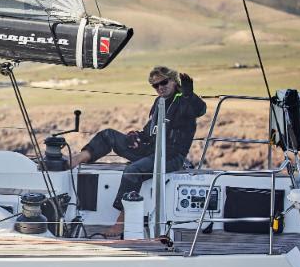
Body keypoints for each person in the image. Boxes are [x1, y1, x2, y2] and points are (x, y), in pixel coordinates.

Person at [69, 66, 207, 235]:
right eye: (155, 86)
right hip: (150, 149)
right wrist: (138, 136)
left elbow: (200, 110)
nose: (160, 88)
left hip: (171, 156)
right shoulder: (159, 102)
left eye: (163, 82)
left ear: (173, 81)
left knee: (133, 170)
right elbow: (151, 130)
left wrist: (189, 95)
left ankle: (121, 222)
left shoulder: (184, 101)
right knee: (108, 135)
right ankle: (75, 160)